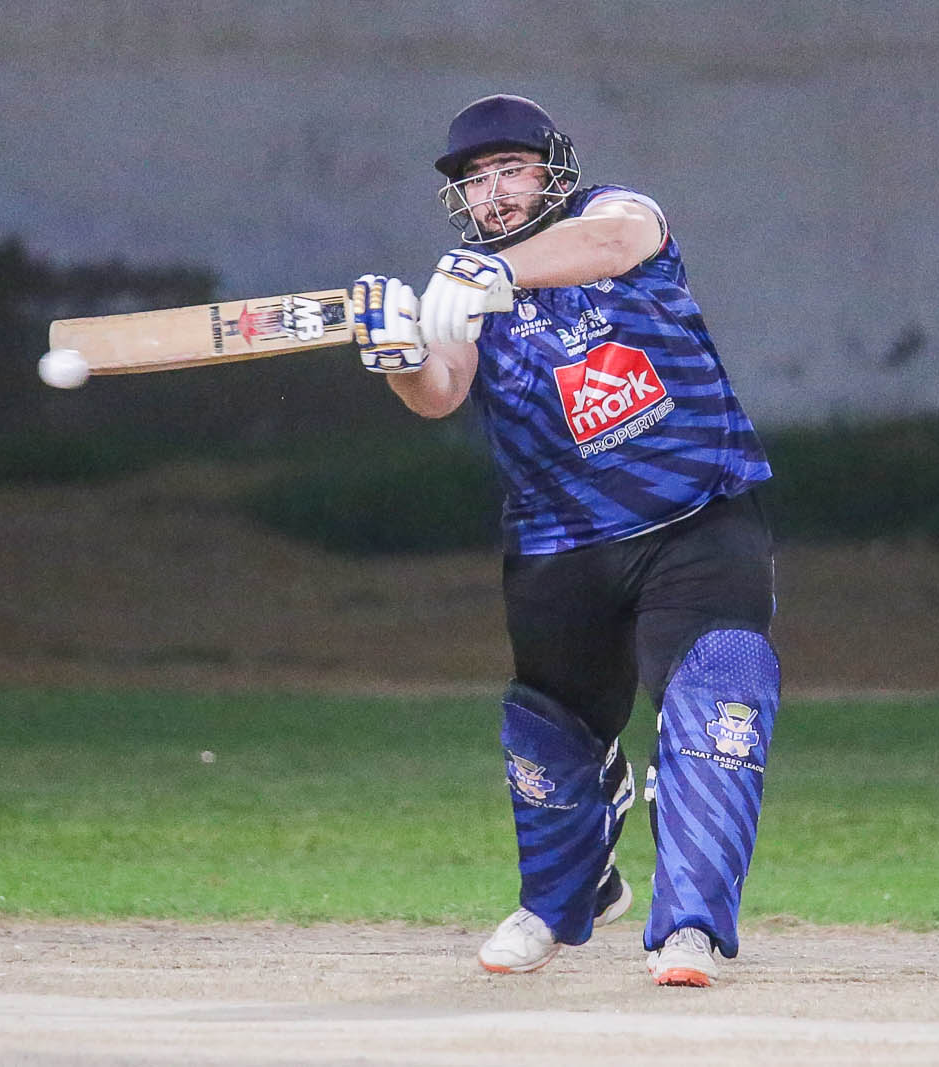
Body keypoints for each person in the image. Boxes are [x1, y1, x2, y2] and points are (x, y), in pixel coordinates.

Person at [349, 94, 780, 986]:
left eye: (510, 170)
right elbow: (441, 391)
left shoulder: (614, 216)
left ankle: (689, 928)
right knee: (549, 728)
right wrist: (401, 358)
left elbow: (614, 243)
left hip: (696, 518)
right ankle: (560, 899)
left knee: (720, 690)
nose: (494, 193)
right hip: (559, 541)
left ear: (553, 170)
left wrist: (496, 273)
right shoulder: (463, 287)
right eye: (475, 181)